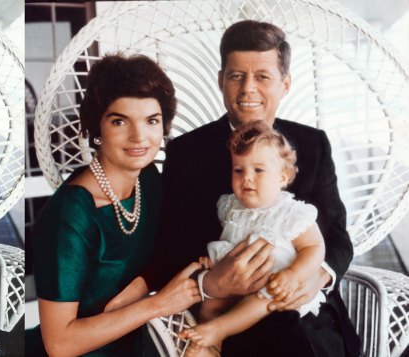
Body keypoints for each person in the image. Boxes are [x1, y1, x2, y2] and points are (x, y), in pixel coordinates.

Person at [139, 20, 361, 356]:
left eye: (263, 77)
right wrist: (212, 283)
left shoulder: (313, 145)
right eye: (236, 76)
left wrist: (317, 276)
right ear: (220, 81)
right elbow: (169, 248)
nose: (248, 90)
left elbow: (338, 236)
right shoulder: (187, 152)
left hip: (305, 312)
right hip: (230, 313)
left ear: (285, 84)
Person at [27, 53, 202, 357]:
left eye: (151, 121)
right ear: (97, 129)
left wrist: (135, 291)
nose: (139, 137)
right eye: (120, 121)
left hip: (136, 342)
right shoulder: (72, 216)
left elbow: (165, 251)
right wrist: (158, 303)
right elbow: (59, 344)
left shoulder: (146, 178)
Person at [179, 120, 327, 353]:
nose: (246, 178)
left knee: (264, 297)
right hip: (238, 281)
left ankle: (220, 330)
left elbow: (315, 247)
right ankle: (212, 346)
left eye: (258, 170)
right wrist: (212, 260)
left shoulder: (291, 212)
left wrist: (293, 274)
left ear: (283, 177)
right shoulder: (230, 206)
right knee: (211, 303)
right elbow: (231, 242)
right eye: (239, 170)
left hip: (274, 285)